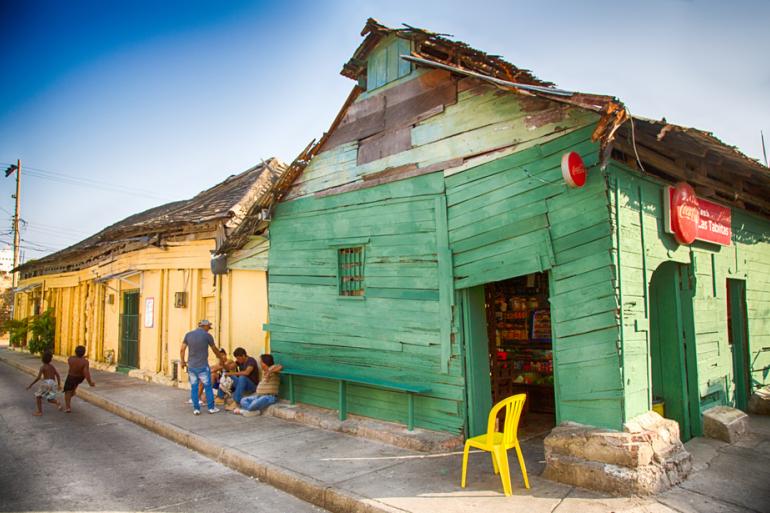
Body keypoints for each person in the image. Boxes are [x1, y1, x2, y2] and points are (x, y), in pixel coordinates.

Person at [180, 320, 224, 415]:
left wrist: (183, 361)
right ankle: (211, 408)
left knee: (194, 387)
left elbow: (182, 350)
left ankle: (196, 409)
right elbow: (214, 349)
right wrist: (220, 357)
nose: (209, 329)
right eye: (208, 327)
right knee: (208, 386)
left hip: (191, 366)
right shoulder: (207, 336)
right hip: (203, 366)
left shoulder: (188, 335)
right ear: (205, 326)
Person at [26, 350, 61, 416]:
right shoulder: (52, 366)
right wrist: (59, 385)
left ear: (42, 359)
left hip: (46, 383)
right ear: (51, 359)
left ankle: (40, 412)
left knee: (38, 397)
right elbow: (58, 375)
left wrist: (31, 385)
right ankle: (57, 402)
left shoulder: (43, 367)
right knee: (49, 398)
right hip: (53, 383)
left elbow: (38, 377)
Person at [62, 345, 95, 413]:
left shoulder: (70, 359)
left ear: (75, 352)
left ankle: (68, 407)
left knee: (67, 391)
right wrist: (90, 382)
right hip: (79, 378)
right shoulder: (85, 362)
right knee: (73, 386)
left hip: (71, 376)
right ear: (84, 353)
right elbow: (86, 373)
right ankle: (73, 390)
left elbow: (71, 360)